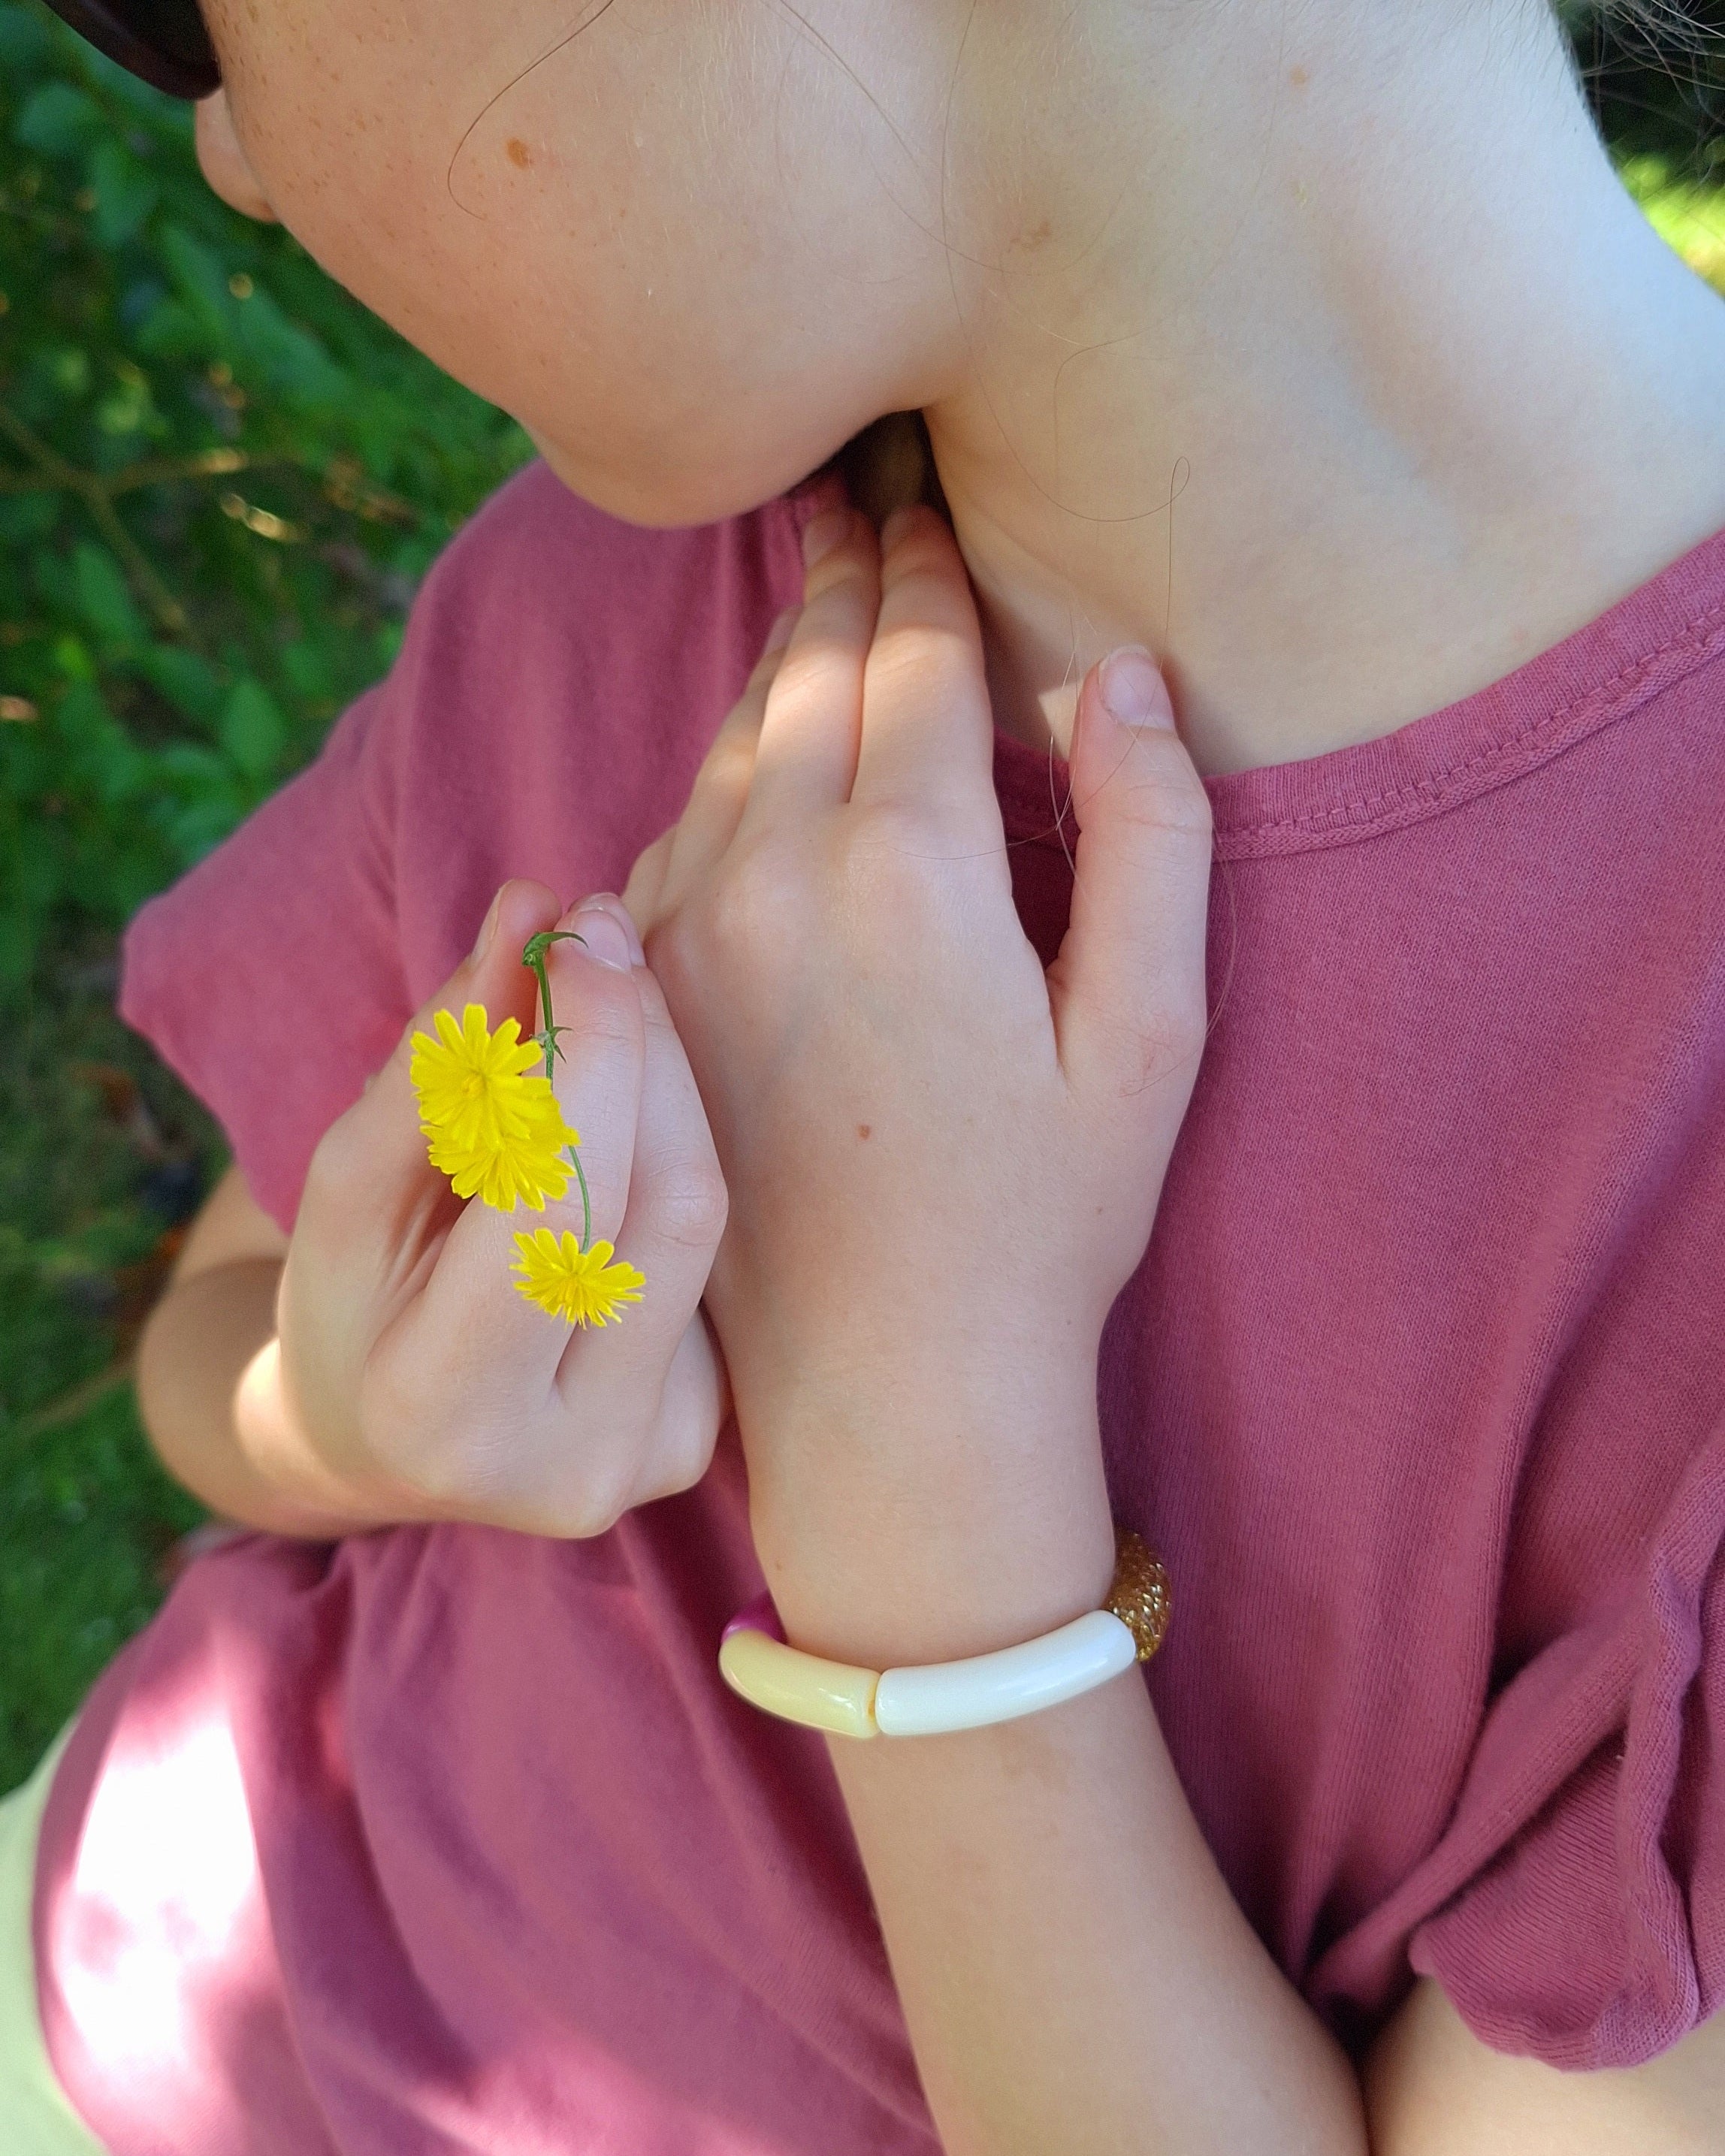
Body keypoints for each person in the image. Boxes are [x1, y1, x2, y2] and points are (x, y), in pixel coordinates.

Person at [4, 0, 1723, 2148]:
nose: (236, 159)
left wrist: (927, 1461)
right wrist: (351, 1416)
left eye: (185, 26)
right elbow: (218, 1353)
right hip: (121, 1969)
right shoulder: (590, 589)